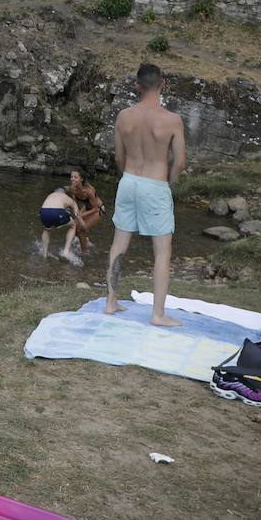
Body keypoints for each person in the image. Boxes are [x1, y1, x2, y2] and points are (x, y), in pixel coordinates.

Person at [106, 63, 185, 327]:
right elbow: (180, 162)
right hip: (155, 183)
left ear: (137, 86)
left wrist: (127, 177)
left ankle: (110, 301)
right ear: (162, 83)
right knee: (162, 251)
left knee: (119, 244)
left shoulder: (123, 116)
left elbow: (118, 156)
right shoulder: (172, 120)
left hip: (128, 181)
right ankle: (158, 314)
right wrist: (169, 185)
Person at [38, 187, 85, 260]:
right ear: (64, 193)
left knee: (46, 230)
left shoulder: (50, 195)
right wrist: (82, 224)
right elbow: (77, 213)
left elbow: (46, 207)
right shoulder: (66, 197)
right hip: (57, 211)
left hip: (44, 211)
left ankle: (44, 254)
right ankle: (65, 252)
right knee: (73, 225)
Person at [69, 168, 105, 255]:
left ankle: (84, 252)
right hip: (88, 207)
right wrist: (76, 213)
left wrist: (81, 215)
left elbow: (95, 208)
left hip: (99, 209)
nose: (72, 179)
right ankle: (85, 241)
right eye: (71, 177)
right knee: (73, 226)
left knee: (81, 229)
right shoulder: (73, 189)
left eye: (75, 177)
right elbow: (75, 205)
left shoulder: (89, 191)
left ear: (81, 179)